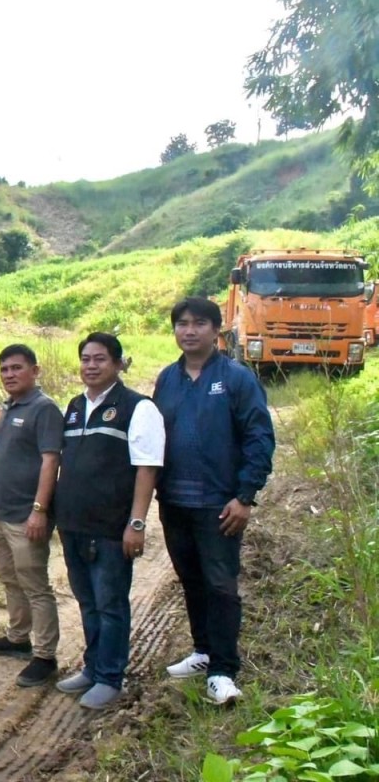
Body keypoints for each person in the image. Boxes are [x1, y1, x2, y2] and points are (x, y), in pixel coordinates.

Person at [153, 297, 274, 706]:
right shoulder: (167, 379)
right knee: (191, 580)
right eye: (182, 324)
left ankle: (224, 670)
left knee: (221, 585)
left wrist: (245, 496)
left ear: (215, 330)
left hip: (219, 505)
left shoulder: (236, 378)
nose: (189, 331)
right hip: (173, 502)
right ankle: (203, 652)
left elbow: (259, 437)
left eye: (199, 324)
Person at [52, 333, 165, 710]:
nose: (91, 366)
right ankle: (92, 666)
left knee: (110, 603)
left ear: (118, 364)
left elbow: (146, 468)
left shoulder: (138, 407)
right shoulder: (73, 406)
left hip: (111, 527)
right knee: (86, 601)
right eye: (85, 359)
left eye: (100, 359)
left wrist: (136, 523)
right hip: (73, 524)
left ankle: (110, 677)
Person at [0, 344, 65, 688]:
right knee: (11, 578)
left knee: (35, 585)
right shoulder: (8, 408)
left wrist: (39, 511)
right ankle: (18, 637)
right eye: (5, 370)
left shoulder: (44, 410)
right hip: (2, 512)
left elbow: (50, 461)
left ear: (35, 370)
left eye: (17, 368)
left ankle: (44, 656)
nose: (10, 375)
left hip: (28, 515)